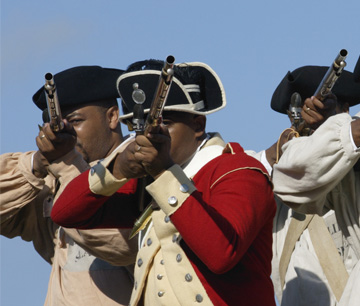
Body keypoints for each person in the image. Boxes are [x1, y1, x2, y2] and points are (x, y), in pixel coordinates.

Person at [51, 59, 277, 306]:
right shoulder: (149, 182)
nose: (150, 136)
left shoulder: (239, 170)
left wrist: (165, 173)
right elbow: (65, 214)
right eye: (140, 127)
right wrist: (116, 169)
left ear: (198, 125)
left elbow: (221, 254)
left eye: (164, 123)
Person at [0, 65, 138, 306]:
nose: (68, 135)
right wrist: (37, 163)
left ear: (112, 116)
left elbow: (122, 246)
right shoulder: (56, 176)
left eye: (75, 122)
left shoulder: (139, 170)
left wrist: (67, 165)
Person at [267, 65, 360, 306]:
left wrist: (334, 127)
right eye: (299, 112)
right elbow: (292, 176)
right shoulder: (277, 168)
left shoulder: (352, 147)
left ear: (346, 110)